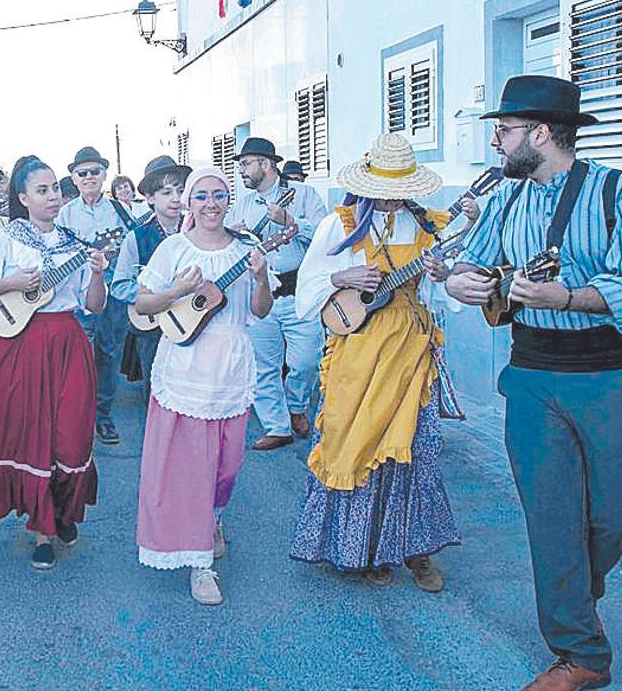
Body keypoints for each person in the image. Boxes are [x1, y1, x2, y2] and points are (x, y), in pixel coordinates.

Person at [446, 76, 622, 691]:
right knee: (550, 515)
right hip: (535, 375)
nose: (496, 140)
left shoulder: (621, 193)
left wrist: (567, 296)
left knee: (616, 512)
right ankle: (580, 651)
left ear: (541, 133)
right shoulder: (507, 201)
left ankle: (573, 593)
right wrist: (465, 282)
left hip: (616, 375)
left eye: (505, 130)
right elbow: (471, 263)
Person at [290, 133, 460, 591]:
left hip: (409, 352)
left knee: (414, 449)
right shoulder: (338, 225)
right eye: (382, 190)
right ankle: (364, 549)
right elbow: (307, 292)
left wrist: (442, 276)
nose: (390, 200)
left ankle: (416, 551)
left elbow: (444, 297)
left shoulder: (427, 227)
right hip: (358, 352)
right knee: (354, 443)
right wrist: (341, 275)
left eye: (397, 190)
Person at [0, 155, 106, 571]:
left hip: (67, 342)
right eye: (42, 190)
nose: (52, 197)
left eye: (55, 190)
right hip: (19, 345)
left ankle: (62, 511)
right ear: (23, 197)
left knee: (72, 436)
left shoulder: (74, 245)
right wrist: (10, 283)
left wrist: (98, 273)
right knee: (32, 437)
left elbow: (92, 306)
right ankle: (42, 528)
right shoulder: (0, 241)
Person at [133, 167, 272, 605]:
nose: (211, 203)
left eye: (219, 195)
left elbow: (261, 311)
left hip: (230, 367)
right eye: (202, 196)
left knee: (226, 467)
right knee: (191, 470)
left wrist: (264, 276)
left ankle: (212, 518)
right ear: (190, 204)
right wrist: (179, 288)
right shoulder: (173, 248)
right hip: (185, 367)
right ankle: (200, 564)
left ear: (228, 201)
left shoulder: (248, 249)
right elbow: (142, 303)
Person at [227, 137, 328, 449]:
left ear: (266, 164)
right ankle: (277, 427)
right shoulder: (242, 204)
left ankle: (297, 406)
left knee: (308, 361)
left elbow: (327, 238)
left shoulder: (305, 195)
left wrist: (290, 221)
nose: (241, 170)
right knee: (263, 365)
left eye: (246, 163)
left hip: (299, 294)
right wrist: (236, 234)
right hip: (260, 296)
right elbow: (228, 249)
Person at [58, 146, 128, 445]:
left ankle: (103, 415)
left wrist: (113, 255)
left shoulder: (122, 211)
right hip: (76, 293)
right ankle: (78, 415)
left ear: (104, 175)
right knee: (77, 355)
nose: (88, 177)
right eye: (82, 173)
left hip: (111, 290)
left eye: (94, 172)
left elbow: (131, 248)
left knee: (109, 353)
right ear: (74, 178)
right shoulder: (64, 213)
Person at [109, 155, 189, 396]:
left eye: (180, 190)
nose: (175, 198)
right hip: (153, 327)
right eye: (166, 192)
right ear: (150, 198)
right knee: (156, 395)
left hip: (195, 320)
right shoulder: (136, 237)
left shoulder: (198, 231)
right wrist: (155, 294)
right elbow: (119, 285)